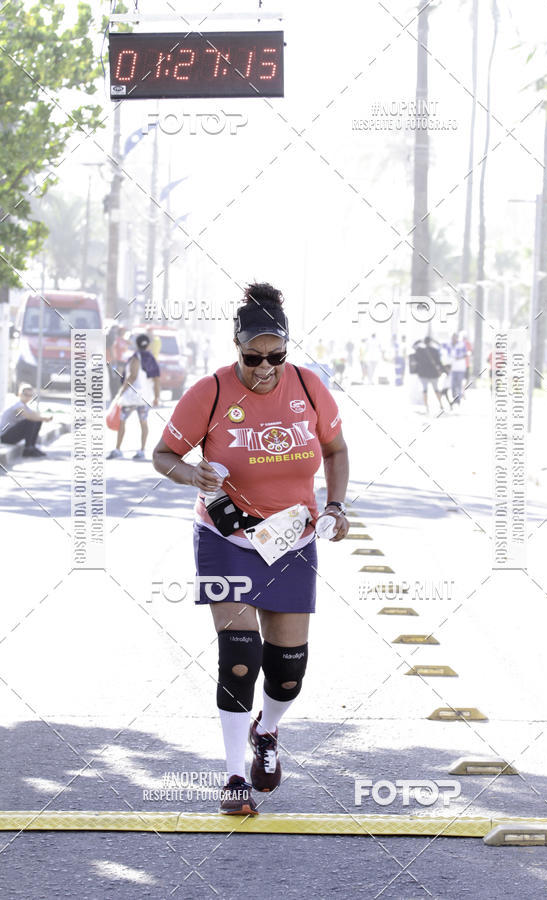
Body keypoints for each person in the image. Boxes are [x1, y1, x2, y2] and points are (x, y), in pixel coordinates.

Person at [152, 282, 350, 816]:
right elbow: (163, 454)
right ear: (236, 346)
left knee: (287, 670)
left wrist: (336, 507)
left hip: (293, 539)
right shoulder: (210, 393)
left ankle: (268, 730)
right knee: (239, 657)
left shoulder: (309, 388)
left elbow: (334, 448)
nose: (265, 367)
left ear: (288, 348)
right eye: (253, 357)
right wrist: (191, 473)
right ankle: (234, 775)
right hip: (227, 538)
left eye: (276, 357)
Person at [107, 333, 160, 460]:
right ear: (148, 344)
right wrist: (156, 396)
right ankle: (142, 450)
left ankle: (118, 449)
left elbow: (132, 376)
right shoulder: (152, 359)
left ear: (137, 344)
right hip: (144, 398)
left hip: (132, 396)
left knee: (122, 420)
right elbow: (156, 379)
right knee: (143, 422)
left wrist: (122, 390)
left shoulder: (136, 358)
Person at [0, 384, 52, 457]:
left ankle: (31, 447)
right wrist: (43, 418)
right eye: (26, 394)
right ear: (19, 394)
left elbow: (35, 415)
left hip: (12, 435)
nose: (28, 397)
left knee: (37, 421)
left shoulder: (25, 406)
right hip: (5, 436)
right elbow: (29, 416)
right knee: (30, 421)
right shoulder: (17, 404)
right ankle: (27, 449)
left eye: (30, 395)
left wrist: (43, 418)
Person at [413, 335, 444, 413]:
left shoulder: (420, 350)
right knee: (436, 390)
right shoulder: (435, 350)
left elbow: (413, 346)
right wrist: (442, 370)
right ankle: (441, 404)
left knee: (425, 390)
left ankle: (426, 406)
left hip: (423, 374)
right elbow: (439, 362)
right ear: (430, 342)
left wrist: (420, 340)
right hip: (433, 374)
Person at [448, 332, 468, 406]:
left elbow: (466, 354)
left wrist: (459, 358)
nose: (454, 339)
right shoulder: (449, 345)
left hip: (460, 368)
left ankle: (458, 400)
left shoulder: (461, 344)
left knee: (459, 385)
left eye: (455, 337)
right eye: (453, 337)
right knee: (453, 385)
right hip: (453, 368)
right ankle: (455, 397)